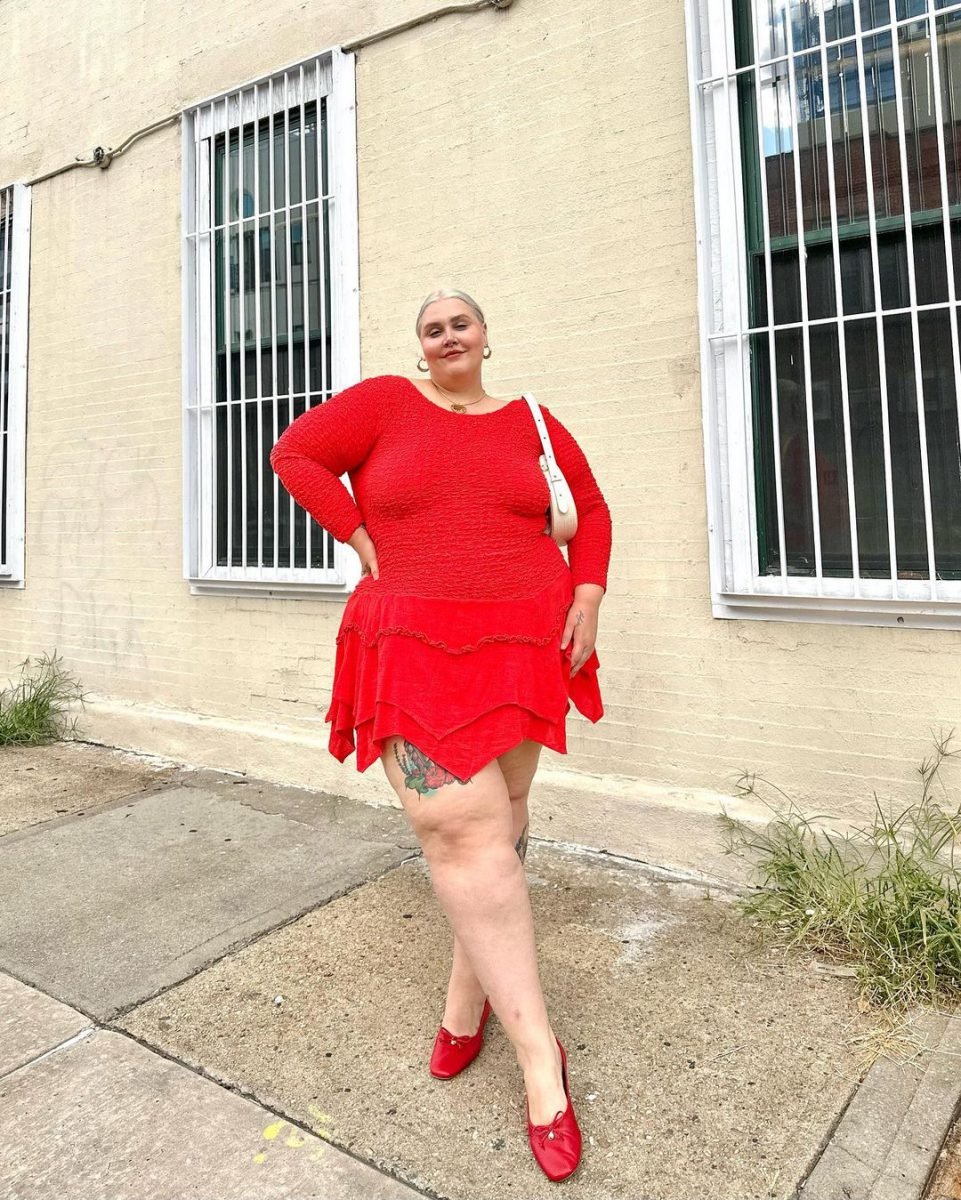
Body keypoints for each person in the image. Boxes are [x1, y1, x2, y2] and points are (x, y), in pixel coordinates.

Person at [269, 288, 612, 1183]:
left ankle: (468, 1006)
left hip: (521, 640)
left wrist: (586, 596)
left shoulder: (531, 420)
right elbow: (296, 452)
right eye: (432, 326)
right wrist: (351, 530)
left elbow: (592, 512)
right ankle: (543, 1061)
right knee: (459, 827)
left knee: (500, 825)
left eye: (461, 321)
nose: (447, 334)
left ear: (485, 335)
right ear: (418, 345)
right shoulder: (385, 403)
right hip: (410, 644)